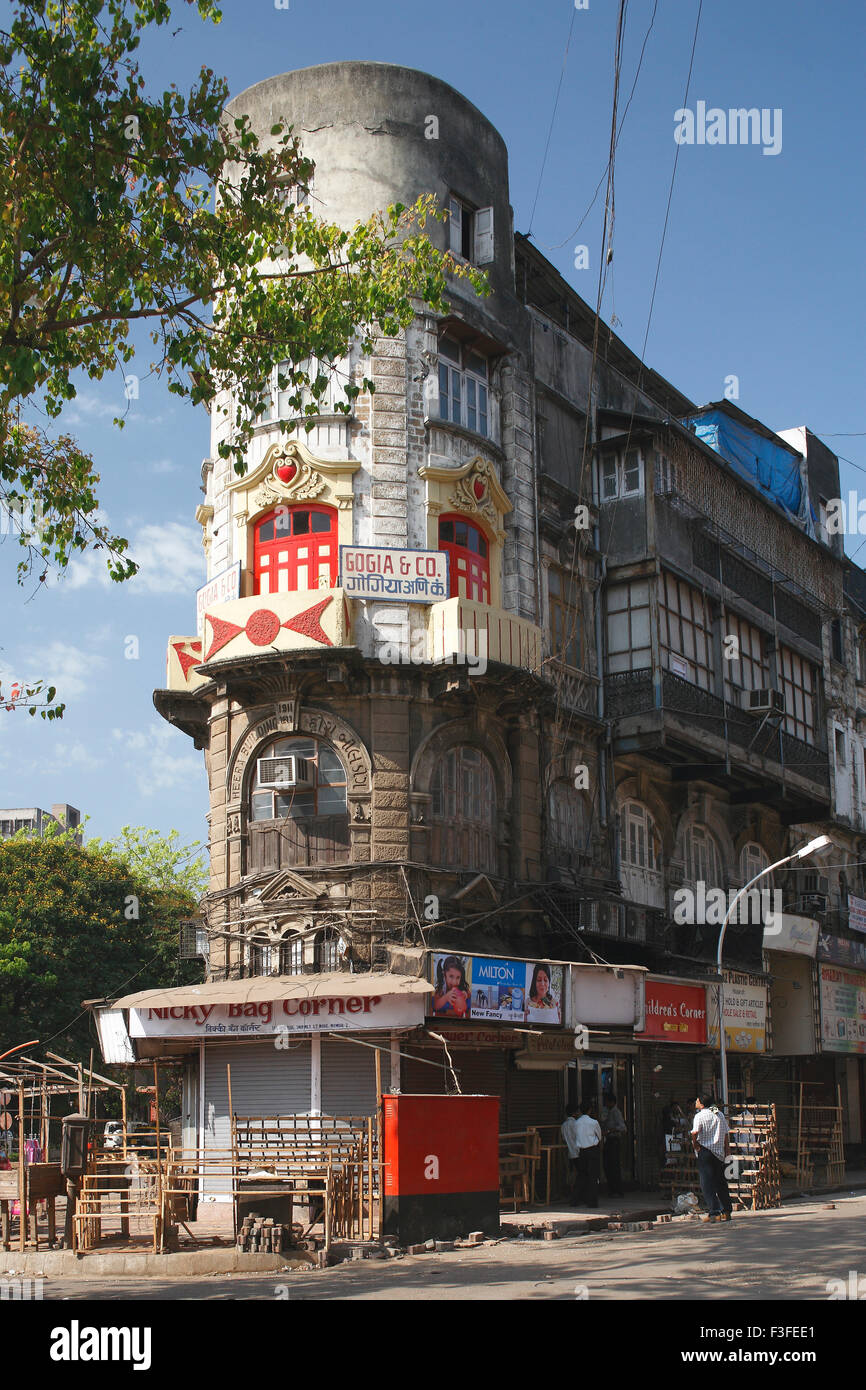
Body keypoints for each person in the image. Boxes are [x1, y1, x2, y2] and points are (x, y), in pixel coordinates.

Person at [691, 1093, 733, 1223]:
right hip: (719, 1153)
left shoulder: (699, 1115)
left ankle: (714, 1212)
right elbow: (726, 1133)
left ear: (702, 1104)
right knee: (720, 1182)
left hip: (706, 1152)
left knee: (707, 1183)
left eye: (697, 1100)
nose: (695, 1102)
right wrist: (727, 1150)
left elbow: (695, 1132)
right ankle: (726, 1211)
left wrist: (696, 1144)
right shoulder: (718, 1113)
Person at [574, 1101, 602, 1208]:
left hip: (582, 1151)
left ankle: (575, 1199)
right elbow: (599, 1136)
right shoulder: (594, 1122)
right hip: (592, 1149)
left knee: (581, 1175)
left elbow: (575, 1136)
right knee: (593, 1176)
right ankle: (592, 1202)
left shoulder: (576, 1123)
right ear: (590, 1110)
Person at [602, 1093, 626, 1197]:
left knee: (614, 1166)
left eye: (607, 1101)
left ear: (611, 1102)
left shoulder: (616, 1112)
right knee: (608, 1166)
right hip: (609, 1140)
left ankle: (617, 1190)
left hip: (614, 1140)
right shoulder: (608, 1111)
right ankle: (613, 1189)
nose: (606, 1103)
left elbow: (623, 1127)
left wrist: (610, 1130)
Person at [561, 1104, 581, 1202]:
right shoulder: (576, 1124)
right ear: (574, 1113)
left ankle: (572, 1194)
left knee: (573, 1174)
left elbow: (564, 1139)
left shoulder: (564, 1125)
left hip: (570, 1153)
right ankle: (577, 1196)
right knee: (580, 1175)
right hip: (578, 1152)